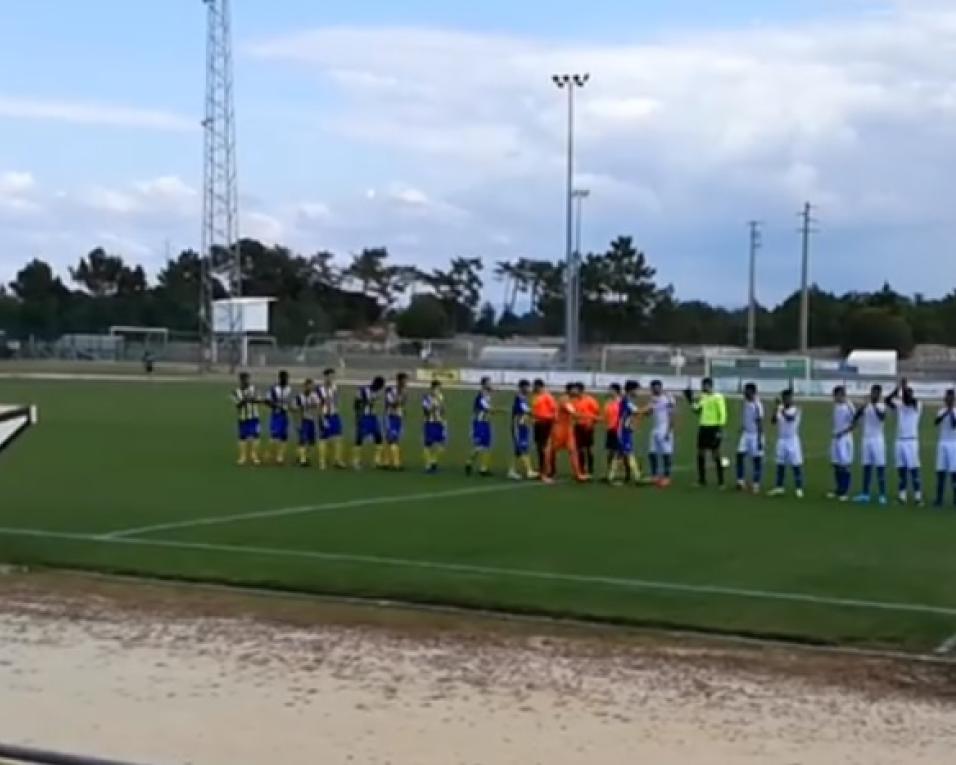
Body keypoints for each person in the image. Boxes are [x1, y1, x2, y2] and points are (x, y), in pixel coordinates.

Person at [685, 377, 728, 487]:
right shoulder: (703, 397)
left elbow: (722, 414)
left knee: (716, 454)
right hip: (703, 427)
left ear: (709, 385)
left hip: (714, 428)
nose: (702, 387)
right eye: (702, 385)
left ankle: (721, 482)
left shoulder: (718, 397)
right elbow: (697, 410)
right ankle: (702, 480)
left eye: (704, 385)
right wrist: (690, 400)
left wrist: (720, 429)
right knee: (700, 453)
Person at [887, 379, 923, 505]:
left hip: (911, 442)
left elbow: (910, 400)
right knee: (901, 470)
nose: (906, 397)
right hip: (899, 441)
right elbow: (887, 400)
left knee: (914, 470)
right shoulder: (900, 405)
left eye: (909, 394)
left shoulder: (917, 405)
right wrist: (897, 388)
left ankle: (918, 496)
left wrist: (904, 388)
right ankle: (902, 496)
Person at [852, 384, 888, 505]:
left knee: (880, 467)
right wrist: (863, 407)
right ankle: (865, 494)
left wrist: (872, 405)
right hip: (866, 439)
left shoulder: (881, 406)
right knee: (866, 467)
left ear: (879, 395)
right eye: (872, 392)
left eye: (876, 393)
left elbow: (882, 418)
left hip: (877, 440)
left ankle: (882, 494)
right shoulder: (867, 406)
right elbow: (856, 417)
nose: (873, 395)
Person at [543, 383, 586, 483]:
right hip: (559, 429)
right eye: (574, 390)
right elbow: (573, 413)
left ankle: (577, 474)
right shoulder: (564, 399)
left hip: (568, 429)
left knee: (573, 451)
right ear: (569, 390)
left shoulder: (572, 400)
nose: (577, 391)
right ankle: (545, 474)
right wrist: (592, 417)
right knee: (549, 451)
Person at [768, 389, 804, 498]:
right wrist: (775, 409)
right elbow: (773, 421)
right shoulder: (780, 408)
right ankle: (779, 487)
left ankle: (799, 488)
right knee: (780, 463)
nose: (786, 400)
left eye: (788, 398)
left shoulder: (796, 409)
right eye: (784, 398)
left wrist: (781, 409)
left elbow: (790, 419)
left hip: (792, 440)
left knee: (796, 464)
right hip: (781, 439)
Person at [609, 380, 642, 486]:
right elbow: (637, 412)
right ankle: (637, 477)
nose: (638, 392)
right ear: (631, 390)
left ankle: (611, 476)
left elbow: (635, 413)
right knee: (629, 453)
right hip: (623, 432)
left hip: (624, 431)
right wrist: (652, 406)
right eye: (637, 390)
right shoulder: (627, 401)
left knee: (619, 455)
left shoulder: (626, 400)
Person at [736, 382, 765, 493]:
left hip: (755, 435)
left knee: (756, 459)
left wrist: (759, 439)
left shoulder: (757, 405)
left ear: (752, 392)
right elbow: (746, 417)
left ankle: (756, 484)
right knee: (739, 455)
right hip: (746, 434)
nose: (744, 393)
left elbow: (759, 422)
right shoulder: (745, 403)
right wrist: (742, 427)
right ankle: (740, 481)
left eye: (746, 391)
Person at [646, 380, 676, 487]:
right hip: (655, 428)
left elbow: (672, 414)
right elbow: (649, 413)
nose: (655, 389)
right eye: (653, 387)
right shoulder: (652, 399)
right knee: (652, 452)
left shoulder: (668, 398)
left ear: (661, 387)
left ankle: (666, 477)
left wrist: (669, 431)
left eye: (657, 387)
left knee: (666, 453)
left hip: (665, 428)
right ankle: (654, 475)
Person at [829, 386, 856, 501]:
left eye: (836, 395)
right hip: (835, 437)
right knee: (836, 464)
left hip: (844, 438)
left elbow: (854, 424)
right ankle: (838, 489)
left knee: (844, 465)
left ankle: (844, 491)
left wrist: (842, 433)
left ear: (841, 395)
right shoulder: (836, 406)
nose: (834, 398)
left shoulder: (849, 407)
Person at [352, 376, 386, 469]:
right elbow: (355, 404)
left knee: (378, 437)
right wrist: (358, 416)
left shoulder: (376, 393)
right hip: (363, 417)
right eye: (380, 386)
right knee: (359, 438)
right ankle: (356, 461)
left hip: (373, 417)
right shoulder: (363, 390)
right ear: (376, 384)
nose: (380, 388)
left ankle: (377, 461)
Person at [509, 380, 537, 480]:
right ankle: (529, 471)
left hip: (523, 426)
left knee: (518, 450)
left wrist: (530, 419)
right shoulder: (519, 399)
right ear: (521, 388)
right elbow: (526, 411)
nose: (529, 389)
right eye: (527, 387)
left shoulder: (523, 399)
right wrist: (534, 414)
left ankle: (511, 471)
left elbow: (527, 413)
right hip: (518, 427)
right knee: (522, 448)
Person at [466, 377, 494, 477]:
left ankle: (483, 469)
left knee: (487, 446)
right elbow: (488, 409)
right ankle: (469, 462)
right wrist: (501, 410)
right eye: (489, 383)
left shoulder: (487, 394)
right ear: (484, 384)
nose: (491, 384)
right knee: (478, 446)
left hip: (486, 423)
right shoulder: (480, 396)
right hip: (479, 423)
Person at [318, 368, 346, 469]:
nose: (332, 378)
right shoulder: (320, 390)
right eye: (330, 376)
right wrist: (322, 418)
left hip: (334, 415)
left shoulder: (334, 387)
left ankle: (337, 460)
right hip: (325, 415)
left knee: (338, 437)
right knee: (324, 438)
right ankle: (322, 461)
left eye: (333, 376)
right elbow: (318, 405)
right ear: (326, 377)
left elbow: (336, 400)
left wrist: (336, 407)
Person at [266, 369, 294, 465]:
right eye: (284, 378)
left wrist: (291, 407)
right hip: (276, 415)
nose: (286, 380)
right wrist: (277, 406)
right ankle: (270, 454)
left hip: (285, 415)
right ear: (280, 378)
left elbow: (291, 401)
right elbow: (268, 401)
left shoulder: (289, 389)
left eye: (287, 378)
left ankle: (280, 457)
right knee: (274, 436)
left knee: (284, 436)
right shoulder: (274, 388)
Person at [232, 371, 261, 466]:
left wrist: (253, 399)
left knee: (255, 436)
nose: (247, 381)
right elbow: (238, 405)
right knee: (242, 437)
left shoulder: (254, 389)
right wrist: (244, 400)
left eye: (248, 379)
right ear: (241, 380)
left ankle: (254, 455)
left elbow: (258, 400)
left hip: (254, 417)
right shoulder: (236, 392)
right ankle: (243, 457)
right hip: (243, 417)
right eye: (244, 379)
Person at [934, 389, 956, 508]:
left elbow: (954, 425)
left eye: (950, 398)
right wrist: (946, 412)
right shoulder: (941, 411)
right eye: (947, 397)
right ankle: (939, 498)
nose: (948, 400)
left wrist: (951, 411)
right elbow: (936, 422)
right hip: (942, 443)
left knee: (954, 472)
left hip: (953, 444)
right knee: (941, 471)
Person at [382, 372, 409, 470]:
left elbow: (403, 404)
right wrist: (400, 398)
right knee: (393, 439)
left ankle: (386, 462)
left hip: (398, 418)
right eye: (404, 380)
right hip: (390, 417)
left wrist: (403, 410)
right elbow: (391, 404)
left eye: (406, 380)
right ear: (399, 380)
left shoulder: (404, 391)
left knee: (391, 440)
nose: (406, 382)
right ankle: (396, 464)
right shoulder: (391, 390)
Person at [574, 382, 601, 479]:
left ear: (580, 390)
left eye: (575, 389)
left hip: (587, 427)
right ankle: (581, 469)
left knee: (589, 449)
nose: (574, 391)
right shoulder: (575, 401)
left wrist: (592, 424)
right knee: (579, 449)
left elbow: (597, 413)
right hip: (578, 427)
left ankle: (590, 469)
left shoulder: (590, 400)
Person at [531, 380, 557, 475]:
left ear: (540, 386)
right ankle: (542, 467)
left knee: (545, 446)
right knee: (539, 446)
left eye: (535, 386)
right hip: (538, 423)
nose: (534, 388)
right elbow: (535, 409)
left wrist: (553, 421)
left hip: (546, 423)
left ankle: (549, 468)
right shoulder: (535, 396)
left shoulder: (547, 396)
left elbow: (554, 409)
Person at [422, 379, 447, 474]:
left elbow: (443, 410)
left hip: (439, 422)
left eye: (440, 388)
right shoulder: (426, 398)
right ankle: (428, 466)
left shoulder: (440, 396)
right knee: (428, 444)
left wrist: (441, 406)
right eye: (438, 388)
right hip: (430, 423)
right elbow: (425, 411)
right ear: (433, 388)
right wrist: (433, 405)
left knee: (441, 444)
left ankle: (433, 461)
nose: (439, 390)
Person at [294, 378, 321, 467]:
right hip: (303, 420)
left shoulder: (314, 396)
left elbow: (318, 406)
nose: (310, 387)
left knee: (312, 442)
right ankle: (303, 460)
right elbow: (295, 408)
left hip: (311, 420)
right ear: (305, 386)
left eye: (311, 386)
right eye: (308, 386)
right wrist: (298, 421)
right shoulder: (299, 397)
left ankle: (302, 456)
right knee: (302, 440)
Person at [603, 384, 624, 482]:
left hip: (618, 430)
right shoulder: (608, 402)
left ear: (616, 391)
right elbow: (606, 416)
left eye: (611, 390)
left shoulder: (621, 402)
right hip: (610, 430)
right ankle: (610, 473)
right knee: (610, 452)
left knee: (618, 453)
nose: (609, 391)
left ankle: (614, 474)